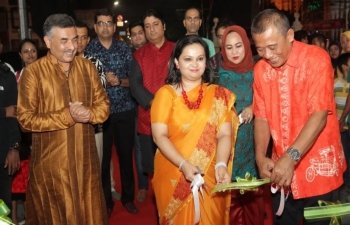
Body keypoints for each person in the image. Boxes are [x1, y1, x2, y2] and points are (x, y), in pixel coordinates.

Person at [251, 9, 346, 225]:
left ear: (290, 35)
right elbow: (262, 117)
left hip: (319, 172)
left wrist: (291, 156)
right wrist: (260, 157)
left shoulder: (317, 59)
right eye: (260, 48)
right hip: (281, 173)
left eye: (273, 47)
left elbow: (319, 115)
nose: (267, 54)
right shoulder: (260, 70)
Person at [17, 14, 110, 225]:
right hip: (52, 169)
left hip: (86, 164)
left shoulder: (87, 68)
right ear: (48, 42)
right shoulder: (33, 73)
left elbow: (104, 106)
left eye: (75, 39)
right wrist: (68, 116)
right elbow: (25, 120)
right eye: (64, 41)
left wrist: (90, 114)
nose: (72, 46)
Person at [151, 35, 238, 225]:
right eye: (188, 59)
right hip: (174, 171)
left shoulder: (217, 95)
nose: (194, 64)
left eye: (200, 59)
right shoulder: (165, 95)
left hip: (209, 172)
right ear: (176, 62)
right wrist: (183, 165)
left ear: (207, 62)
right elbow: (159, 136)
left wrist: (221, 165)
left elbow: (224, 133)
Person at [85, 8, 138, 214]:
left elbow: (133, 81)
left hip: (125, 109)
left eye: (109, 23)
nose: (105, 27)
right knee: (103, 159)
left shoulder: (125, 49)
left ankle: (128, 197)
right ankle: (106, 201)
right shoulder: (89, 51)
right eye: (101, 23)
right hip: (101, 114)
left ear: (114, 27)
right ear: (95, 26)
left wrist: (119, 81)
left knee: (126, 157)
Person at [219, 25, 264, 225]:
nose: (235, 52)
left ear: (247, 45)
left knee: (254, 199)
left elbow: (269, 99)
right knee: (231, 201)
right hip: (229, 143)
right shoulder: (218, 75)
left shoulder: (259, 71)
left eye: (238, 46)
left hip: (254, 141)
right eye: (229, 47)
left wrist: (254, 107)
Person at [129, 9, 175, 177]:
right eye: (147, 26)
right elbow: (135, 85)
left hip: (176, 117)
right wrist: (155, 104)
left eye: (155, 24)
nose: (151, 29)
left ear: (163, 26)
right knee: (154, 171)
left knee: (176, 166)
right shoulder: (138, 55)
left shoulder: (177, 49)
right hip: (148, 119)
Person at [11, 38, 38, 225]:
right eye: (26, 51)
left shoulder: (47, 72)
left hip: (43, 128)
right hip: (23, 132)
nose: (30, 54)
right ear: (21, 55)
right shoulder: (16, 77)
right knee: (23, 176)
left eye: (33, 51)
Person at [75, 19, 107, 167]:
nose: (79, 42)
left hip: (94, 126)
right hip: (68, 126)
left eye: (83, 38)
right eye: (76, 37)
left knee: (95, 170)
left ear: (88, 40)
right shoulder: (60, 63)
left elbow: (101, 98)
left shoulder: (95, 64)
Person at [128, 19, 149, 203]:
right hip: (137, 107)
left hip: (162, 106)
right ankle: (143, 185)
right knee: (139, 147)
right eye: (133, 34)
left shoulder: (156, 52)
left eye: (140, 32)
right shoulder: (130, 56)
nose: (137, 37)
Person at [0, 55, 20, 221]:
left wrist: (14, 147)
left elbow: (15, 113)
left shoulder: (6, 74)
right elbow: (6, 111)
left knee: (3, 208)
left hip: (3, 154)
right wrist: (2, 112)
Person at [336, 53, 350, 189]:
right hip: (342, 126)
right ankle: (345, 180)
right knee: (345, 153)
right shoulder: (336, 83)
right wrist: (339, 121)